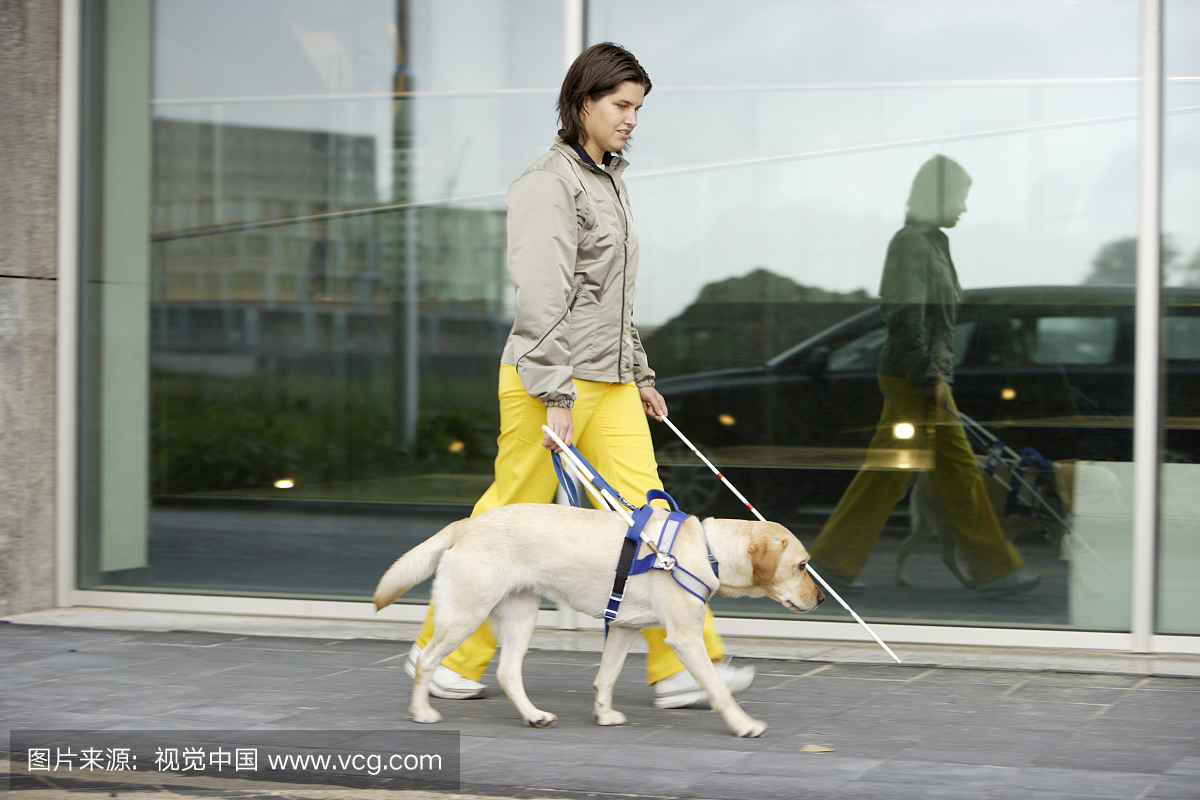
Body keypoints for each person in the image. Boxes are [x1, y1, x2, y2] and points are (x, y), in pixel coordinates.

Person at [405, 42, 754, 708]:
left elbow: (610, 296)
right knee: (508, 518)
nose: (632, 119)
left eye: (639, 108)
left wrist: (640, 372)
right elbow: (542, 298)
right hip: (549, 380)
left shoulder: (610, 180)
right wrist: (555, 394)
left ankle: (682, 662)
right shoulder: (548, 182)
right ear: (583, 101)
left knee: (652, 517)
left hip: (612, 383)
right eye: (621, 105)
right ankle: (444, 656)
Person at [807, 155, 1040, 597]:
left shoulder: (934, 242)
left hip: (924, 377)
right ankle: (995, 569)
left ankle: (832, 566)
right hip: (913, 378)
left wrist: (937, 375)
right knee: (946, 470)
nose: (964, 209)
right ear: (937, 197)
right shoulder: (911, 242)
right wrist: (930, 377)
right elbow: (905, 314)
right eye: (960, 198)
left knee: (906, 472)